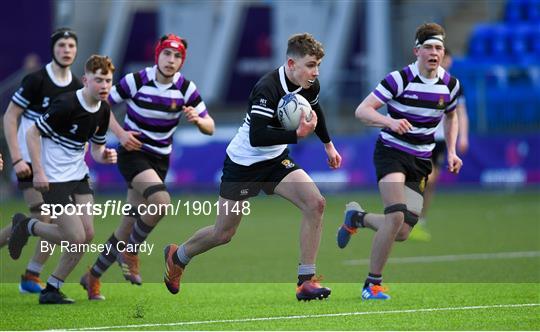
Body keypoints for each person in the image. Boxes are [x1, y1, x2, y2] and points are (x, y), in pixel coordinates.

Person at [162, 33, 342, 301]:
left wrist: (328, 145)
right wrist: (297, 136)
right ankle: (178, 256)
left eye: (318, 65)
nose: (315, 72)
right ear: (291, 64)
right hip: (243, 164)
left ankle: (306, 281)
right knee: (223, 233)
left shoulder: (309, 85)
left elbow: (317, 111)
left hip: (275, 161)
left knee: (316, 204)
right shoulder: (266, 87)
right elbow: (258, 136)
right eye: (311, 65)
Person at [81, 34, 215, 300]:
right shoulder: (138, 79)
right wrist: (120, 134)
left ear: (181, 61)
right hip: (133, 153)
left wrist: (198, 122)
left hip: (159, 160)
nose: (171, 60)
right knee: (161, 202)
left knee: (127, 225)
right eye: (167, 54)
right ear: (158, 55)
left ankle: (92, 276)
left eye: (177, 56)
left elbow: (209, 125)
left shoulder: (186, 89)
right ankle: (130, 251)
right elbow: (102, 104)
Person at [336, 23, 463, 300]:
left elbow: (451, 116)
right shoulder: (398, 79)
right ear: (416, 50)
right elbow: (362, 110)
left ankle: (357, 217)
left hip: (421, 159)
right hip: (392, 152)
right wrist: (389, 121)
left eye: (438, 47)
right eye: (428, 47)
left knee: (403, 231)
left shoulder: (450, 85)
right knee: (394, 215)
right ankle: (372, 285)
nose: (434, 52)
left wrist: (451, 151)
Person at [8, 55, 117, 304]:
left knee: (87, 234)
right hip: (53, 178)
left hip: (78, 176)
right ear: (86, 80)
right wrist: (39, 171)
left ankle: (52, 288)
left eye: (108, 81)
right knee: (75, 237)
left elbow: (97, 150)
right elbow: (33, 133)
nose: (104, 86)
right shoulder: (66, 104)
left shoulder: (104, 110)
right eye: (98, 80)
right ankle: (27, 226)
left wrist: (106, 155)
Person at [1, 27, 82, 294]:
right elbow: (10, 117)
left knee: (45, 221)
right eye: (62, 45)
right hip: (28, 160)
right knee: (43, 216)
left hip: (56, 166)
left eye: (71, 46)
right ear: (53, 49)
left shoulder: (76, 86)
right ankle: (32, 273)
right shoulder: (36, 80)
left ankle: (32, 273)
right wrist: (16, 159)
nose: (66, 50)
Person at [409, 48, 469, 241]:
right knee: (429, 178)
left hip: (441, 140)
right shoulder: (418, 82)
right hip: (422, 138)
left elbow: (460, 113)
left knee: (432, 183)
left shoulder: (453, 85)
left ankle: (420, 220)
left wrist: (463, 137)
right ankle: (409, 213)